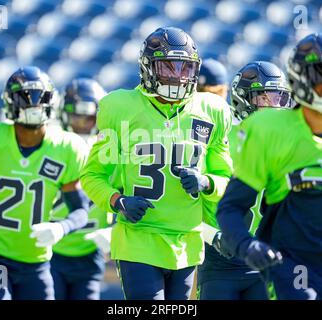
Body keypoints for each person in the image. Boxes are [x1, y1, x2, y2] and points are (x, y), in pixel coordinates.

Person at [216, 33, 322, 300]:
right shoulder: (269, 130)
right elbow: (231, 207)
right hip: (290, 267)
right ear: (300, 78)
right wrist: (246, 245)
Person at [81, 27, 233, 300]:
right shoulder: (120, 107)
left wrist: (206, 182)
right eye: (167, 67)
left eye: (184, 68)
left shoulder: (213, 110)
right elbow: (93, 175)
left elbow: (226, 180)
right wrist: (118, 201)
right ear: (147, 67)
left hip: (187, 241)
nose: (177, 76)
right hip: (139, 238)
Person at [0, 66, 90, 300]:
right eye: (26, 99)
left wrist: (60, 227)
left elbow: (81, 210)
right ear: (10, 102)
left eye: (39, 98)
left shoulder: (66, 148)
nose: (33, 105)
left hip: (36, 263)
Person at [198, 61, 291, 300]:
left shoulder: (287, 139)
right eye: (264, 98)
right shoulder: (220, 133)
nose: (274, 106)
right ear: (242, 98)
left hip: (265, 256)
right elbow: (188, 205)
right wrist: (211, 235)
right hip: (220, 257)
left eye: (279, 98)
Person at [50, 78, 113, 300]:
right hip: (51, 248)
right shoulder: (53, 145)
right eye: (76, 115)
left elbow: (126, 192)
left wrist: (115, 229)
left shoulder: (110, 149)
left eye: (89, 117)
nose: (83, 123)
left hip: (90, 250)